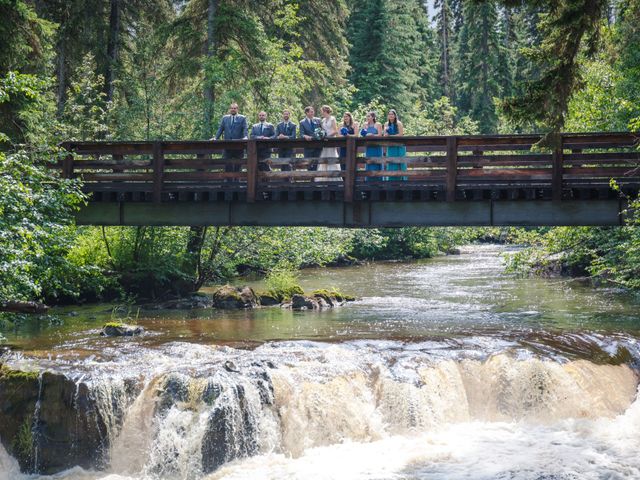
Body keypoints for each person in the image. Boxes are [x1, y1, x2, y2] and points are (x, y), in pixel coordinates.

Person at [213, 102, 248, 176]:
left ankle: (237, 183)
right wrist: (216, 138)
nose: (233, 109)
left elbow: (245, 128)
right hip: (227, 145)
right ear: (230, 109)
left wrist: (245, 137)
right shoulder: (225, 118)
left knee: (238, 165)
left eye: (234, 108)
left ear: (237, 109)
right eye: (232, 108)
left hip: (239, 146)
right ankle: (228, 183)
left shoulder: (242, 118)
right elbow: (220, 129)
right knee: (227, 164)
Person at [317, 105, 341, 182]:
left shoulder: (332, 119)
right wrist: (321, 134)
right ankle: (324, 178)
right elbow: (322, 130)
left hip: (331, 140)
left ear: (325, 111)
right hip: (325, 141)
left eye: (322, 111)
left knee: (331, 156)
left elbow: (335, 131)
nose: (322, 113)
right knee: (324, 157)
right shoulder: (323, 120)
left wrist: (328, 136)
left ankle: (333, 178)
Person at [383, 109, 407, 181]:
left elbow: (400, 134)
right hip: (391, 146)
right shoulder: (386, 124)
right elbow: (384, 135)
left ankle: (402, 180)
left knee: (401, 161)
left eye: (392, 114)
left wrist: (391, 136)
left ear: (395, 115)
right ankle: (391, 180)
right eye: (389, 114)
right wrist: (386, 134)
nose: (391, 115)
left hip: (399, 145)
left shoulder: (399, 123)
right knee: (391, 161)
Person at [360, 111, 383, 182]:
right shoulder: (365, 125)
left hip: (377, 147)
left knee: (377, 163)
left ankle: (378, 181)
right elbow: (363, 134)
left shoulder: (378, 124)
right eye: (367, 116)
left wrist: (372, 135)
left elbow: (380, 135)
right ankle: (368, 182)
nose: (367, 118)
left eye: (369, 116)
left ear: (373, 117)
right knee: (369, 162)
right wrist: (364, 135)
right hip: (368, 147)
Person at [298, 106, 321, 171]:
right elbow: (301, 134)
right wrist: (305, 136)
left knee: (317, 164)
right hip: (308, 146)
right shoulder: (302, 122)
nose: (313, 113)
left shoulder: (318, 120)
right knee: (308, 164)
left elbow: (322, 131)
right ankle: (311, 179)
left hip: (317, 146)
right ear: (307, 113)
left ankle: (317, 180)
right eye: (311, 112)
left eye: (313, 111)